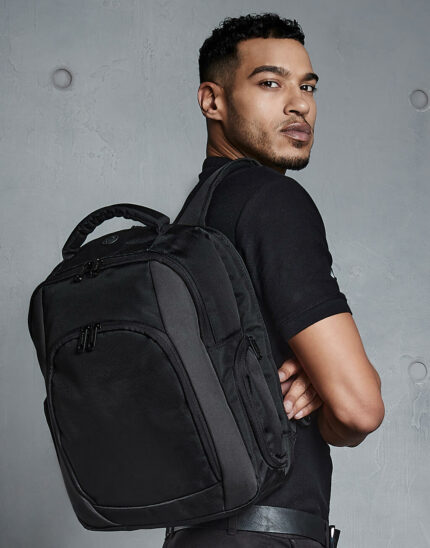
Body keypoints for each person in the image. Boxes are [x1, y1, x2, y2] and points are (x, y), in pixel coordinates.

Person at [163, 12, 385, 548]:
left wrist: (316, 380)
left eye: (307, 86)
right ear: (212, 101)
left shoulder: (193, 219)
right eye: (269, 83)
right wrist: (327, 403)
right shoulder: (272, 201)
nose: (298, 104)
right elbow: (359, 409)